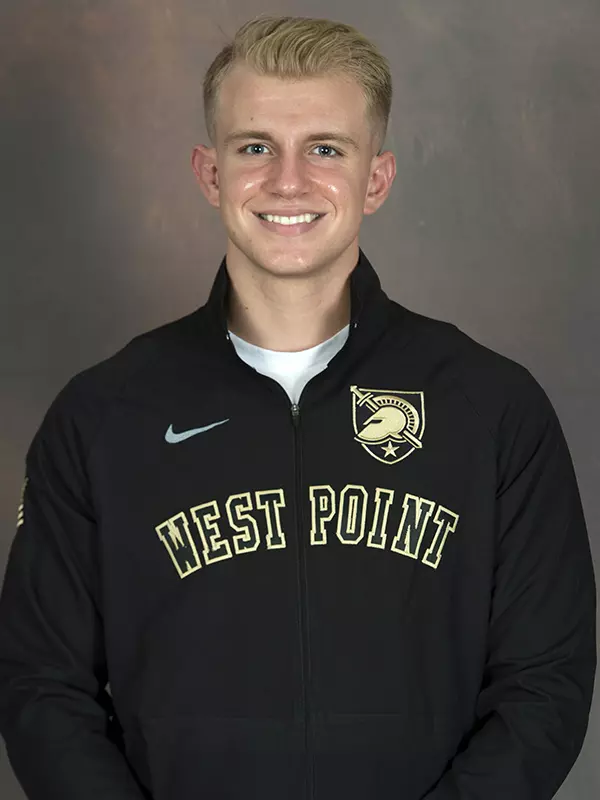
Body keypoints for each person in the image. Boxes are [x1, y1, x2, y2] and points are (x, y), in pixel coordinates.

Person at [0, 13, 596, 800]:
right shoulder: (103, 416)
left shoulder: (492, 408)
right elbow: (41, 687)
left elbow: (545, 682)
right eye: (255, 147)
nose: (288, 181)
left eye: (325, 148)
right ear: (209, 173)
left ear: (374, 180)